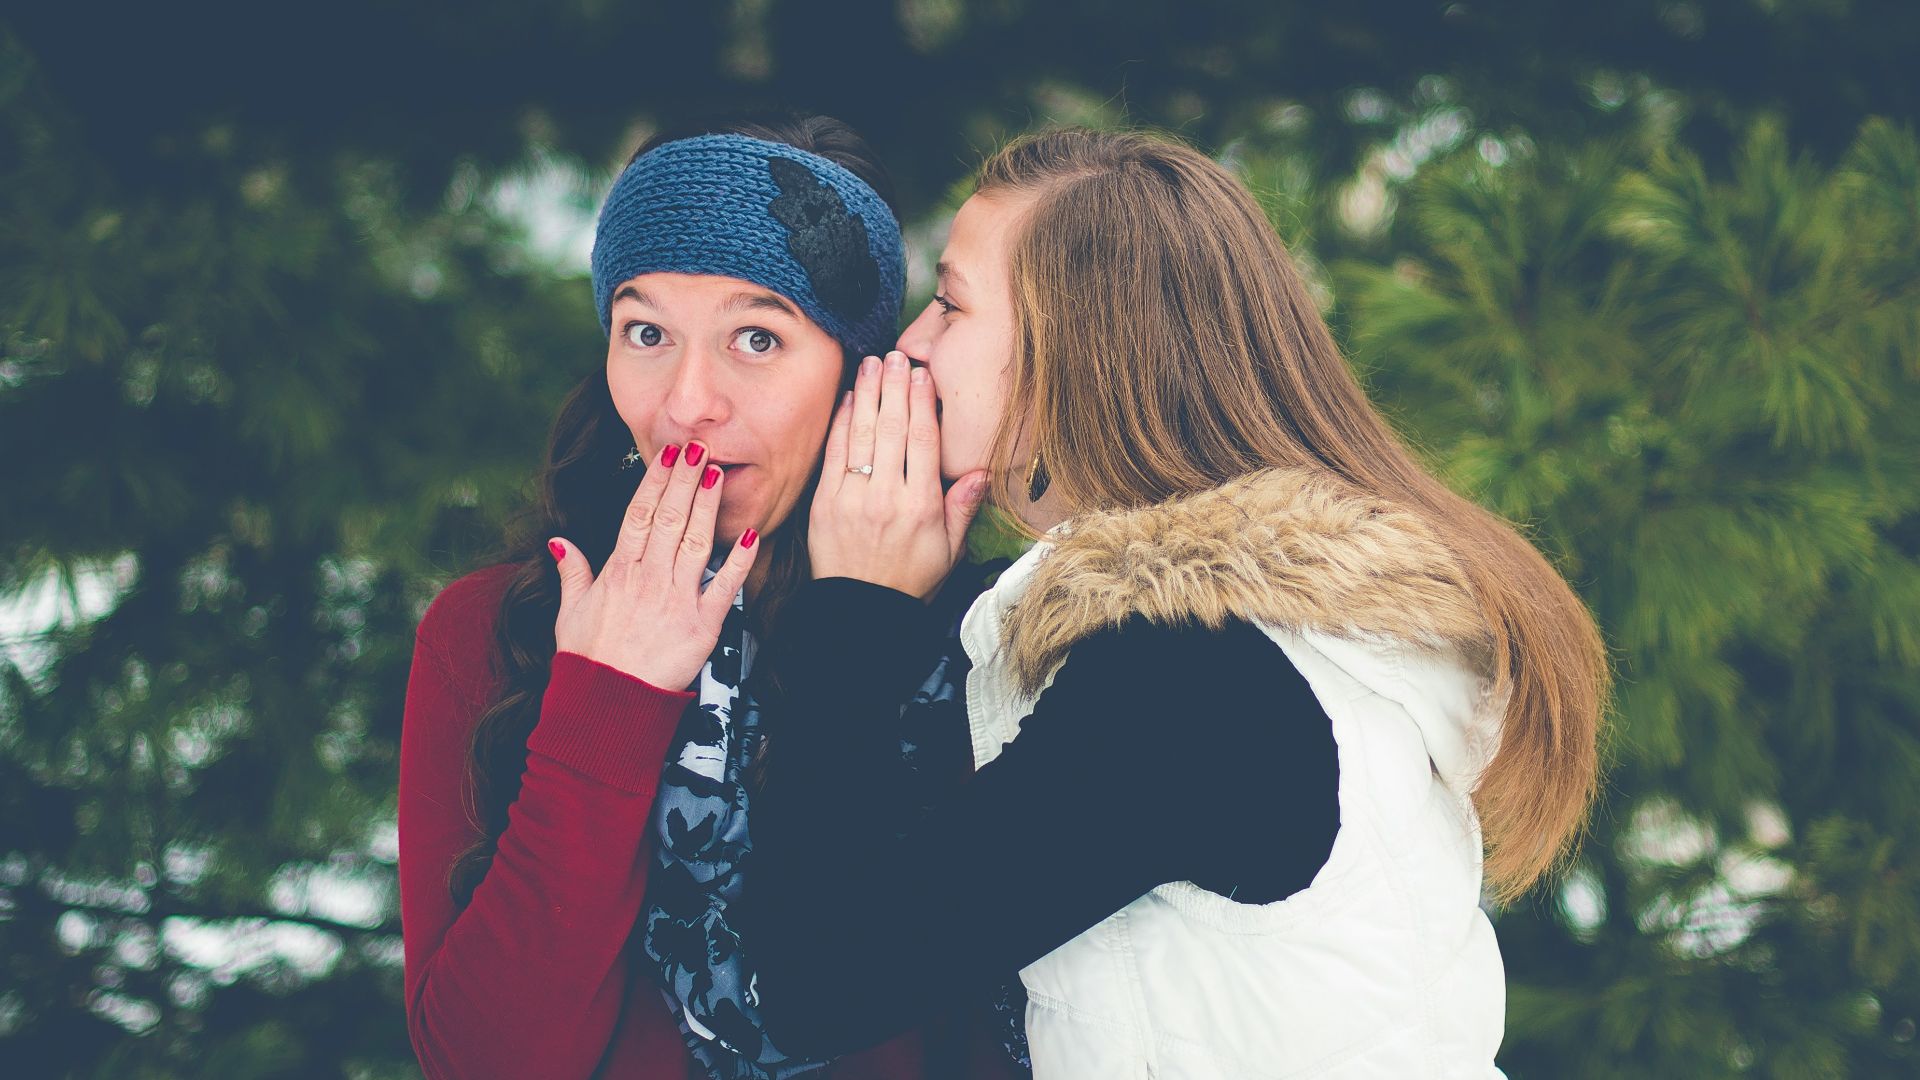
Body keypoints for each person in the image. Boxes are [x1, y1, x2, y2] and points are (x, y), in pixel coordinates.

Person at [721, 128, 1612, 1077]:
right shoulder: (1263, 640)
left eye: (949, 304)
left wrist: (853, 617)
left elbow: (822, 983)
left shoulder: (1191, 681)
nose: (910, 345)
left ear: (1075, 352)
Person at [398, 112, 1017, 1080]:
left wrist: (860, 629)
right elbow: (485, 1062)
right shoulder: (492, 632)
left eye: (757, 339)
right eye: (645, 331)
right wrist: (606, 702)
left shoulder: (980, 637)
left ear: (860, 375)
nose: (687, 401)